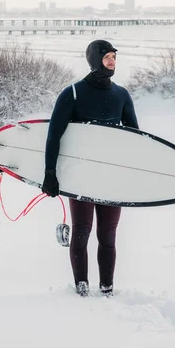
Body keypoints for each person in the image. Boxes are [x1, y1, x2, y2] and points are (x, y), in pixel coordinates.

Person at [42, 39, 139, 297]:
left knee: (108, 235)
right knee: (82, 233)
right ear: (95, 59)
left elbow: (135, 140)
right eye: (108, 57)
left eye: (115, 58)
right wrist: (50, 173)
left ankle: (107, 287)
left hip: (111, 177)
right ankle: (81, 287)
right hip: (81, 177)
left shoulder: (121, 95)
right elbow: (54, 136)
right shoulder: (72, 93)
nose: (112, 62)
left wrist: (134, 176)